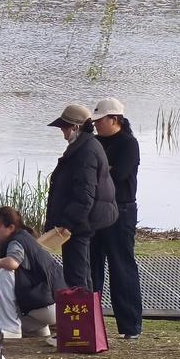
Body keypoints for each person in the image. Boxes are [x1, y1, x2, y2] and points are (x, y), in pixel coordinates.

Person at [43, 103, 117, 291]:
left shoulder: (85, 152)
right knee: (81, 274)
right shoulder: (84, 146)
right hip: (79, 223)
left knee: (77, 278)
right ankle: (88, 318)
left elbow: (85, 196)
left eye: (64, 127)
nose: (62, 132)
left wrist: (67, 225)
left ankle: (81, 319)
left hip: (79, 225)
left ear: (75, 127)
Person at [90, 98, 144, 340]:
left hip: (121, 211)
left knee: (122, 267)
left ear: (115, 119)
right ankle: (91, 322)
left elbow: (118, 175)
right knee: (92, 268)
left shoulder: (128, 144)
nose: (97, 125)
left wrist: (101, 172)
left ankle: (131, 326)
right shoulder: (94, 142)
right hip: (95, 211)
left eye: (100, 120)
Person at [0, 206, 65, 340]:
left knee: (4, 273)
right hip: (57, 306)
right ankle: (39, 330)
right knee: (4, 276)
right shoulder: (26, 238)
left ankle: (9, 328)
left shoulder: (16, 241)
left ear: (10, 227)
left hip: (47, 304)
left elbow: (12, 263)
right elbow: (25, 275)